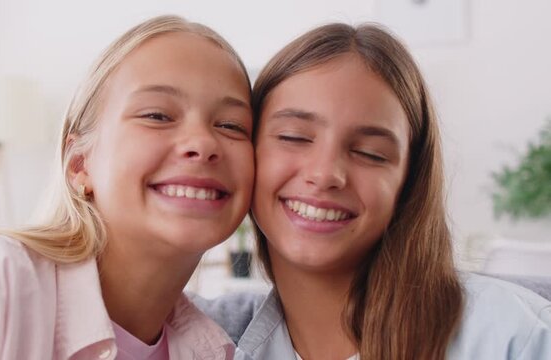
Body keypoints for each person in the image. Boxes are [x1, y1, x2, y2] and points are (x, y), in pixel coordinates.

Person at [0, 15, 254, 359]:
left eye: (232, 126)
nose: (203, 144)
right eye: (157, 115)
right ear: (79, 164)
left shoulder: (218, 350)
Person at [196, 23, 551, 359]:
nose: (325, 174)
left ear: (408, 182)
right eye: (294, 137)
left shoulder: (513, 338)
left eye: (370, 153)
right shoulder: (208, 340)